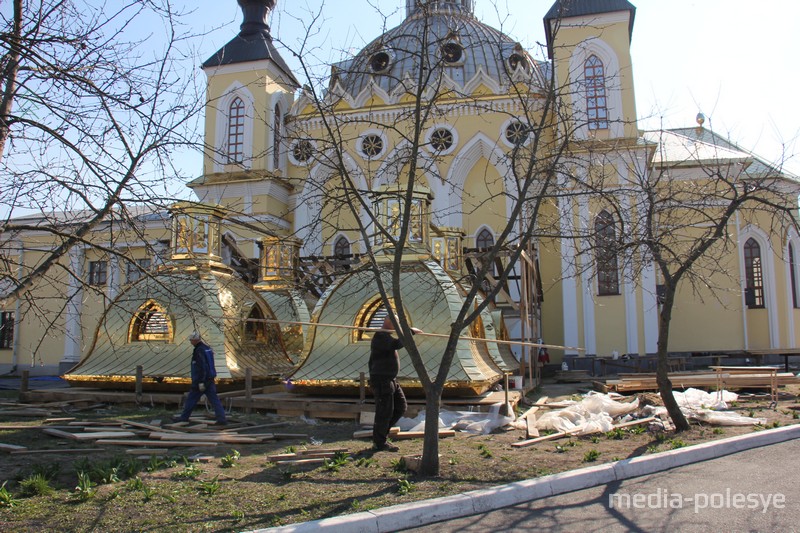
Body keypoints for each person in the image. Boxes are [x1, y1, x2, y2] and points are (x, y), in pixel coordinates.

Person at [369, 315, 422, 451]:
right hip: (382, 380)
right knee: (384, 412)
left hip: (390, 379)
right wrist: (410, 333)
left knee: (400, 407)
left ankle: (382, 435)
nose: (397, 326)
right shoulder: (381, 336)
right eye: (397, 323)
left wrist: (408, 330)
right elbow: (396, 344)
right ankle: (379, 442)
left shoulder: (386, 336)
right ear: (390, 322)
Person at [173, 332, 227, 425]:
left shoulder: (199, 350)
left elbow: (202, 366)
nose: (190, 342)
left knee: (191, 398)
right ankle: (222, 419)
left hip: (201, 380)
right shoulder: (207, 349)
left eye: (191, 340)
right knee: (214, 400)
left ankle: (184, 417)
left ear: (195, 340)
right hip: (210, 379)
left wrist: (201, 381)